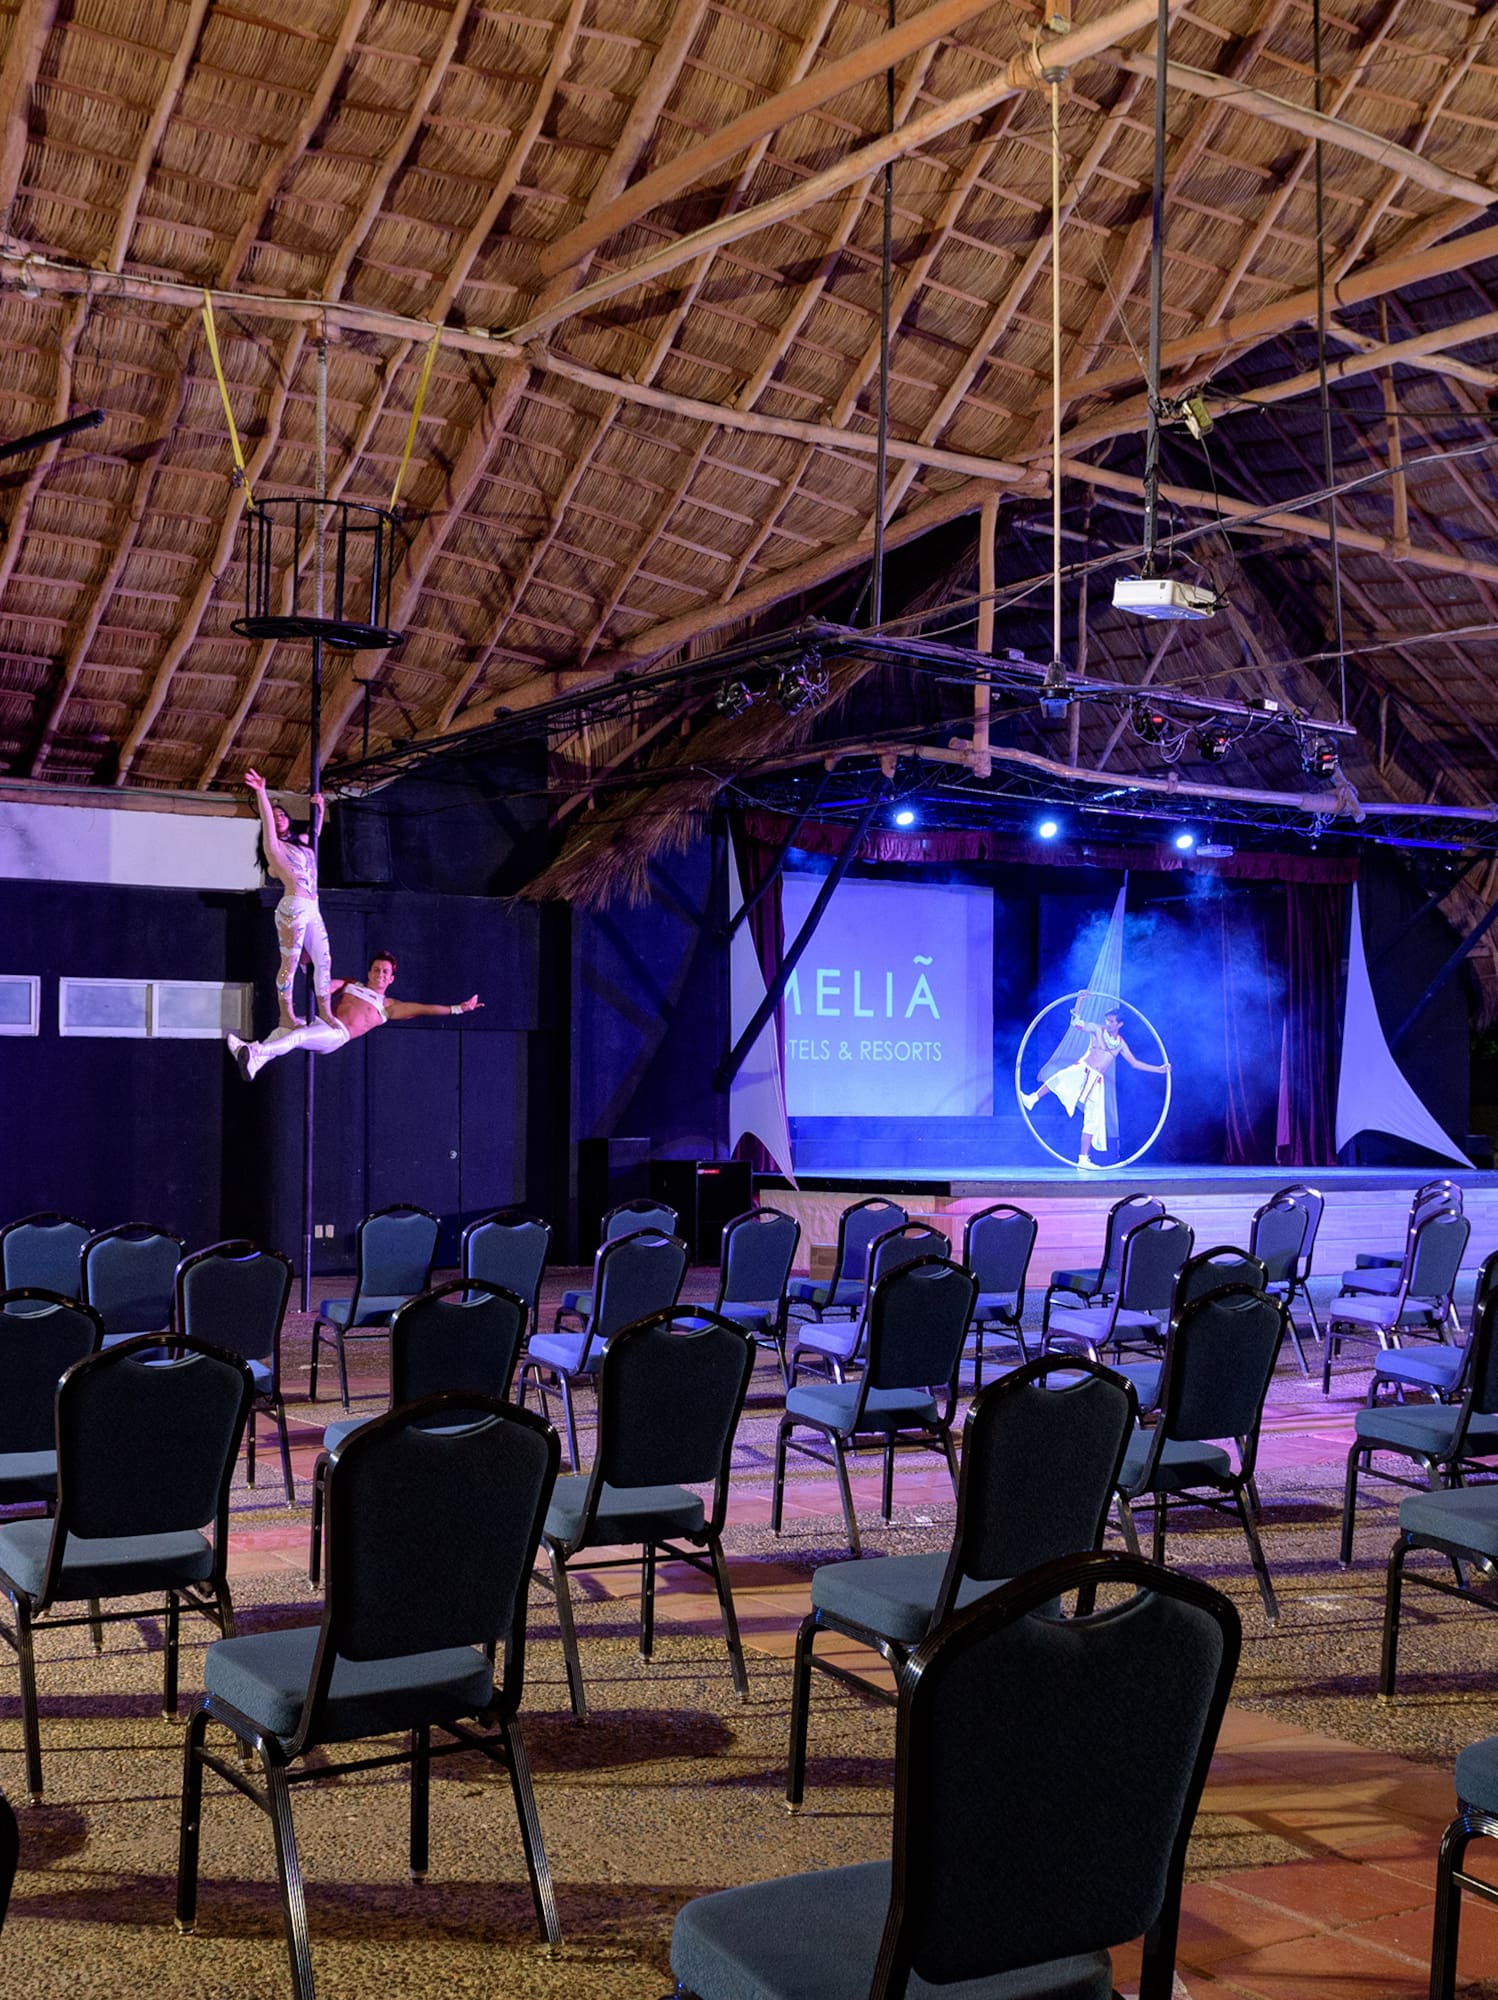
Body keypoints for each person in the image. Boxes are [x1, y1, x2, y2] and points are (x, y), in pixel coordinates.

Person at [227, 951, 481, 1080]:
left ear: (391, 979)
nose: (380, 974)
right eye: (376, 969)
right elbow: (323, 987)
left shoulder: (388, 1006)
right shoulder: (351, 984)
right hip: (322, 1022)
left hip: (337, 1035)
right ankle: (255, 1061)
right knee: (286, 1027)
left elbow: (424, 1009)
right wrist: (307, 966)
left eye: (385, 972)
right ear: (369, 972)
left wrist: (458, 1008)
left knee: (298, 1036)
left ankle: (256, 1051)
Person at [1019, 997, 1169, 1169]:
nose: (1108, 1024)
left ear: (1120, 1024)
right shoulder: (1097, 1029)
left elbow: (1134, 1063)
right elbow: (1076, 1023)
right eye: (1107, 1020)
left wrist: (1158, 1069)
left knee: (1093, 1119)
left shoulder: (1120, 1044)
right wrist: (1080, 1001)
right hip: (1083, 1069)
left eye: (1112, 1021)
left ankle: (1083, 1158)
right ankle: (1032, 1099)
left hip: (1097, 1080)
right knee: (1060, 1077)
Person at [245, 767, 335, 1033]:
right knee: (291, 963)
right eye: (275, 817)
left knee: (324, 959)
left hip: (313, 907)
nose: (279, 818)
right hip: (293, 906)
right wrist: (261, 792)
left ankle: (326, 1011)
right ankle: (286, 1014)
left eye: (282, 814)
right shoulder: (275, 848)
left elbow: (315, 833)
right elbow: (267, 821)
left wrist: (319, 808)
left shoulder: (302, 844)